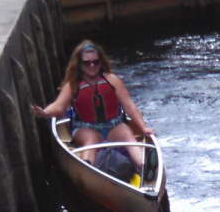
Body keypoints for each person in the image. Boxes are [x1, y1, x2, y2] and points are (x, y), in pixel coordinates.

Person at [32, 39, 155, 173]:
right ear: (79, 64)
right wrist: (45, 113)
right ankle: (88, 172)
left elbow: (129, 105)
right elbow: (59, 106)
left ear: (101, 62)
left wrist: (143, 127)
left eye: (96, 62)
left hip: (113, 125)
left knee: (127, 134)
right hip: (85, 127)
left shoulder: (111, 79)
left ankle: (145, 168)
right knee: (90, 139)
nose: (92, 66)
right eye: (87, 63)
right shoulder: (72, 85)